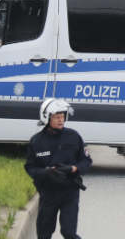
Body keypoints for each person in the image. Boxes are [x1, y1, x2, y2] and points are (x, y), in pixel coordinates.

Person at [24, 99, 91, 239]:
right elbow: (30, 167)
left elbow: (86, 161)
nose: (61, 120)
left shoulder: (74, 136)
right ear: (47, 117)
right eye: (57, 117)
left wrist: (73, 168)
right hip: (48, 193)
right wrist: (46, 172)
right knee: (43, 234)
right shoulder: (37, 141)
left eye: (63, 116)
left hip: (70, 192)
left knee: (69, 232)